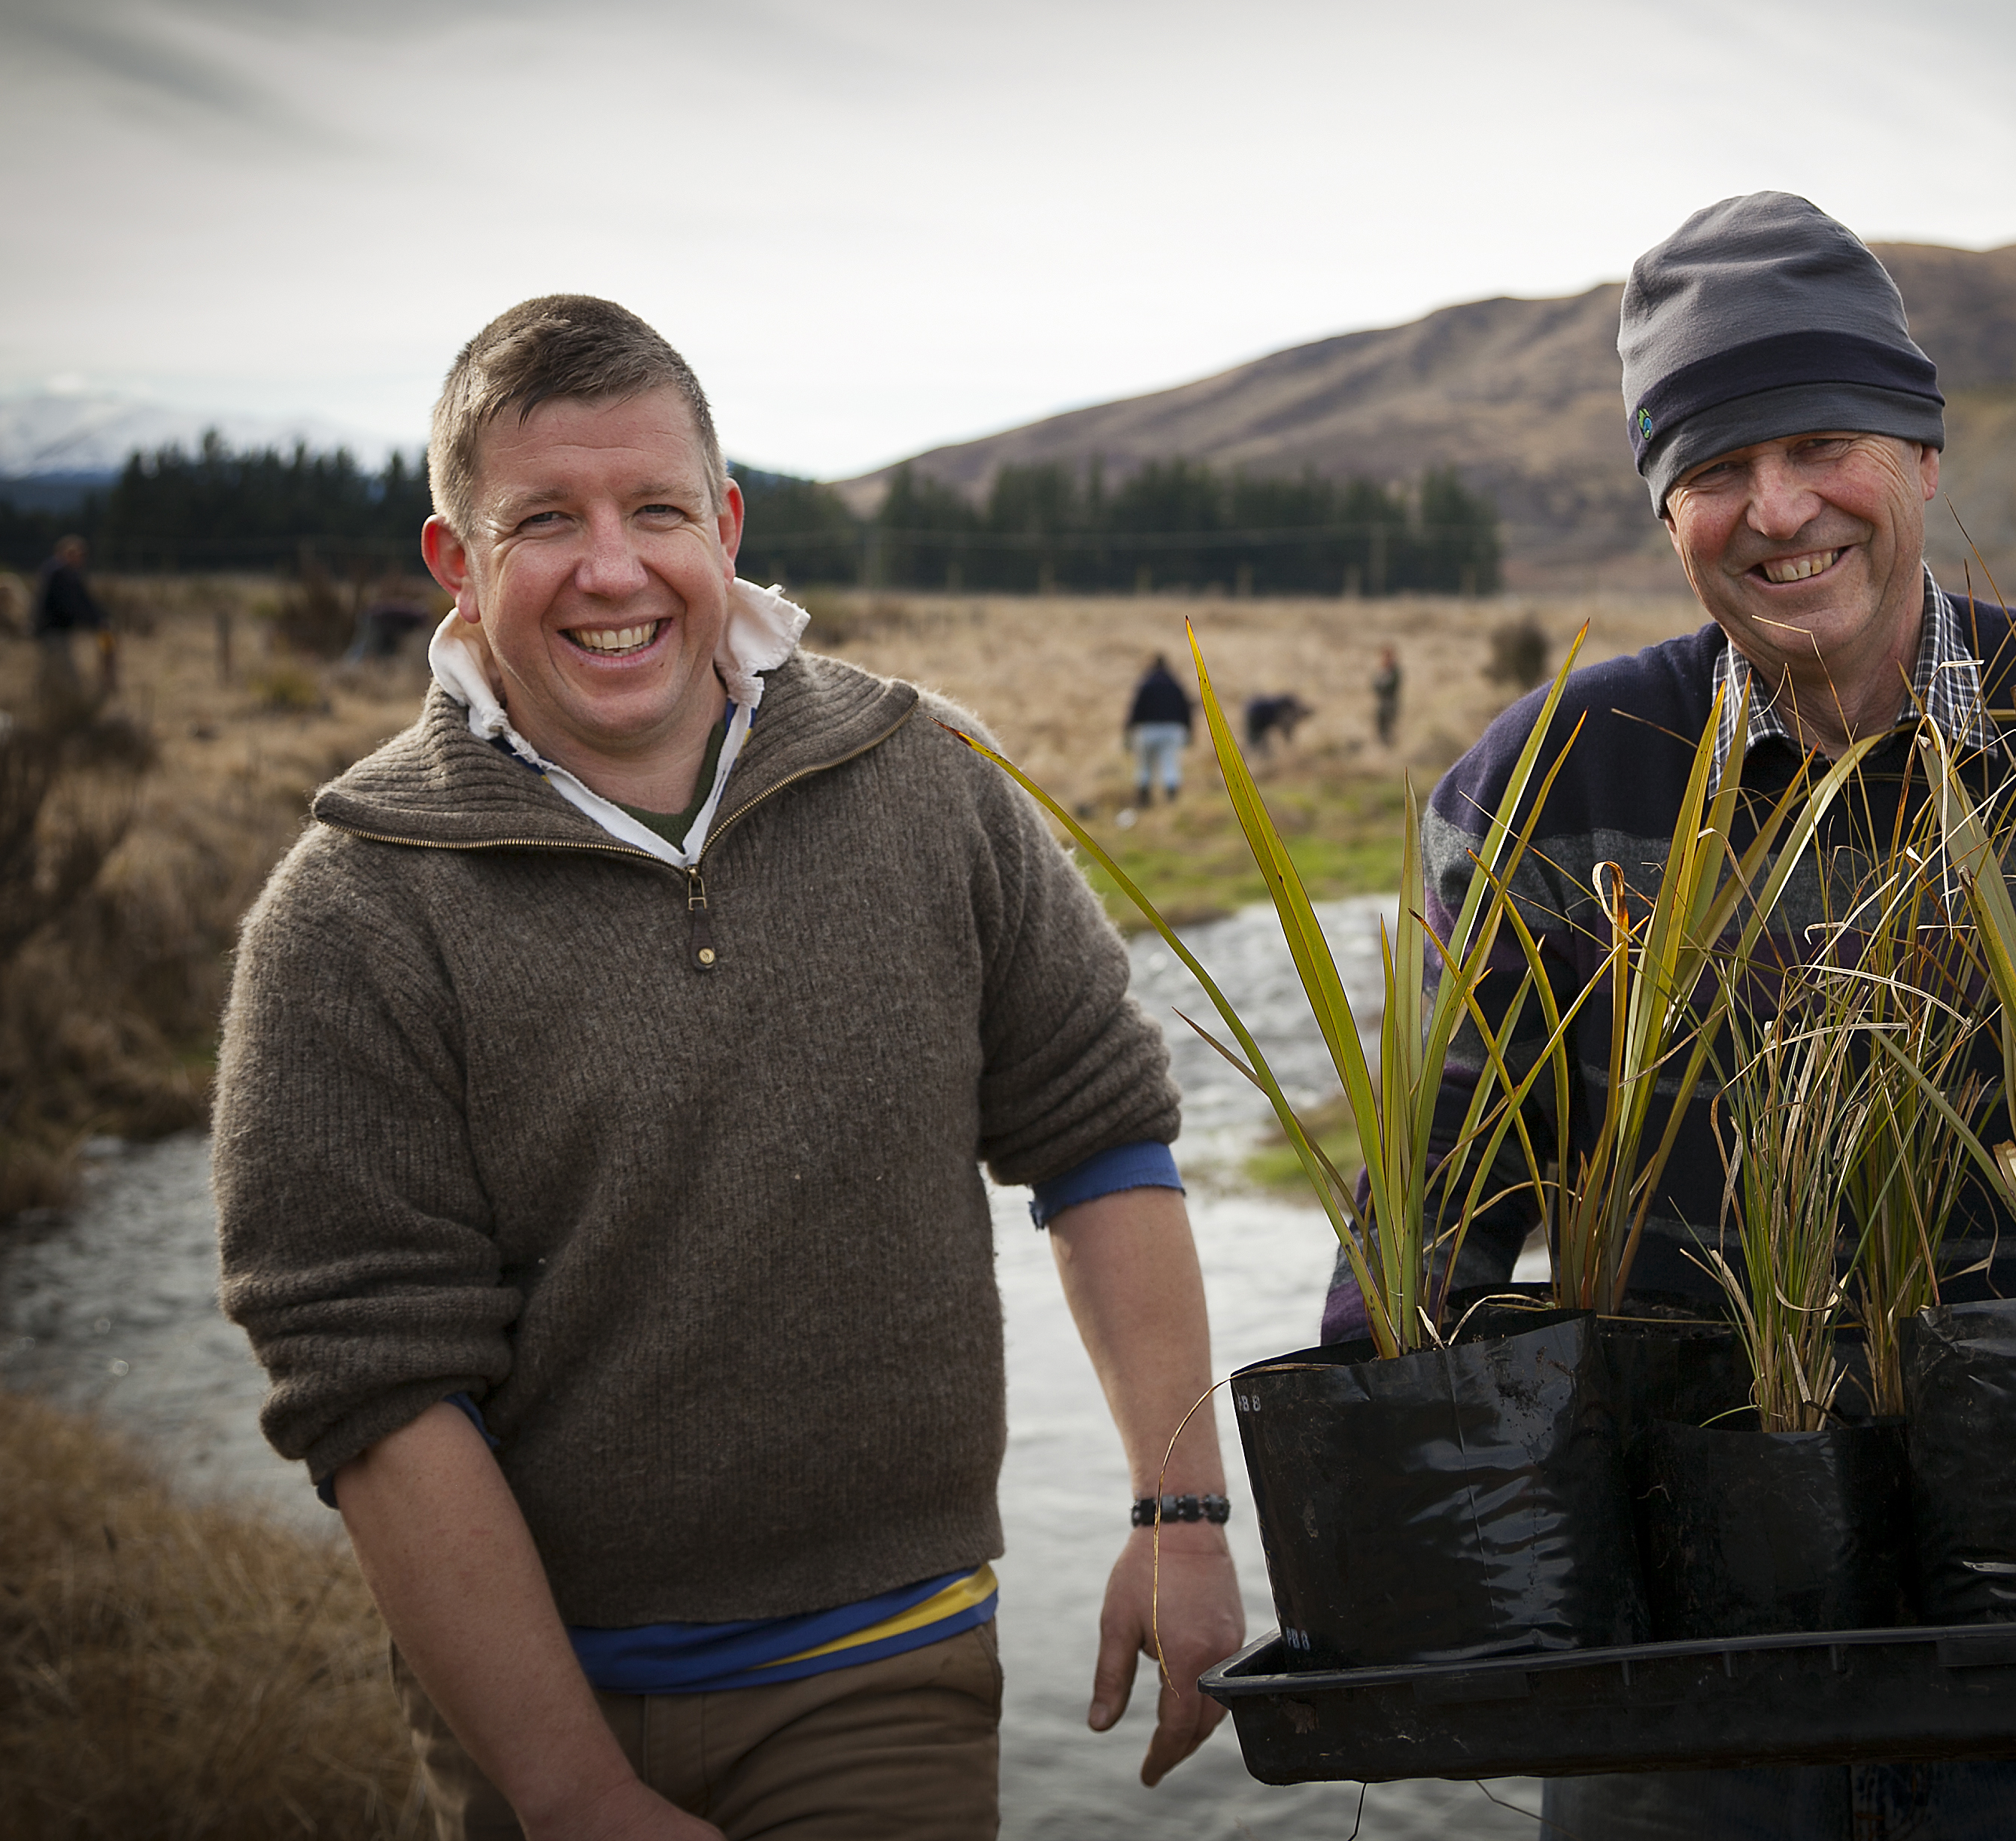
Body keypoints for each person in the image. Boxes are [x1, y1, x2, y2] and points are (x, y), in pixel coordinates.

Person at [1328, 193, 2016, 1839]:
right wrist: (1358, 1480)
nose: (1773, 510)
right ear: (1664, 507)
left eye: (1819, 443)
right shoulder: (1548, 785)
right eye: (1712, 468)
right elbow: (1435, 1186)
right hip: (1677, 1720)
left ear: (1919, 453)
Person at [211, 296, 1245, 1841]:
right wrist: (564, 1789)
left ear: (727, 522)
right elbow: (368, 1375)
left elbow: (1099, 1133)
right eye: (543, 518)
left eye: (655, 509)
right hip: (518, 1698)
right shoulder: (350, 910)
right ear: (455, 561)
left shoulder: (927, 782)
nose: (612, 567)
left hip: (881, 1661)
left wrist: (1182, 1512)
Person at [33, 533, 111, 704]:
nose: (80, 559)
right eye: (76, 554)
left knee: (50, 671)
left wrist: (101, 618)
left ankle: (41, 707)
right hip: (52, 632)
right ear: (63, 553)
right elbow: (71, 605)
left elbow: (86, 602)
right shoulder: (58, 574)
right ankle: (70, 710)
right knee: (66, 674)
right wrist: (95, 621)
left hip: (59, 632)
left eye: (82, 555)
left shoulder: (70, 575)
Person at [1125, 652, 1192, 804]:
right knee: (1170, 764)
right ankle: (1172, 800)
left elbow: (1135, 710)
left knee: (1144, 766)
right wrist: (1189, 731)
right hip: (1171, 730)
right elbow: (1186, 709)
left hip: (1148, 730)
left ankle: (1144, 801)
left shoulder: (1145, 684)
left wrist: (1128, 732)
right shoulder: (1176, 685)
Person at [1371, 646, 1401, 748]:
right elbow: (1375, 685)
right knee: (1380, 727)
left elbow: (1392, 686)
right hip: (1381, 704)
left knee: (1390, 727)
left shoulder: (1395, 671)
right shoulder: (1381, 670)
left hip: (1391, 703)